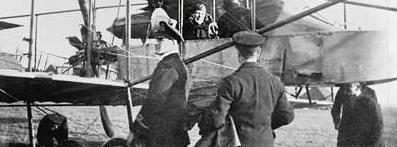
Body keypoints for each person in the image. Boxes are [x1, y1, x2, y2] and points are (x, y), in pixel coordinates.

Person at [197, 31, 295, 146]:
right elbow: (287, 116)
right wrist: (265, 126)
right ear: (258, 53)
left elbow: (217, 119)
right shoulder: (275, 81)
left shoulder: (231, 82)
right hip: (265, 142)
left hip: (237, 142)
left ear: (238, 54)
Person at [126, 15, 191, 147]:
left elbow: (154, 102)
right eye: (156, 39)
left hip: (160, 137)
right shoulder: (181, 67)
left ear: (173, 42)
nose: (156, 43)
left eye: (161, 39)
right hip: (177, 136)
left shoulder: (167, 66)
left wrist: (135, 130)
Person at [331, 82, 384, 147]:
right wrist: (337, 123)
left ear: (358, 87)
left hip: (365, 137)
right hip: (347, 134)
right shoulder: (343, 92)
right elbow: (335, 109)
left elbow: (378, 124)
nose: (346, 90)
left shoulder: (371, 95)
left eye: (349, 86)